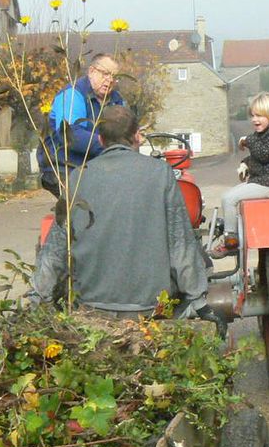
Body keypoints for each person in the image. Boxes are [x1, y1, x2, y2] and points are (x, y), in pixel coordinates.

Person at [29, 105, 221, 329]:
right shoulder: (161, 174)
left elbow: (55, 248)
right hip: (151, 308)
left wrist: (37, 301)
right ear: (137, 136)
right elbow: (181, 245)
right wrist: (200, 304)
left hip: (92, 308)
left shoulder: (77, 178)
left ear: (100, 140)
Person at [209, 92, 269, 258]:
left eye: (259, 115)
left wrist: (247, 140)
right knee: (230, 195)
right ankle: (234, 230)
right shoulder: (267, 134)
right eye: (252, 115)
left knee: (228, 198)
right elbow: (259, 159)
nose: (254, 119)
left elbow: (264, 155)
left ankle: (230, 240)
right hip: (260, 181)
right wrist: (246, 163)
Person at [36, 53, 126, 197]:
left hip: (97, 167)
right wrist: (111, 146)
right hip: (64, 167)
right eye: (105, 74)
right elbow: (70, 136)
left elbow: (126, 131)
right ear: (91, 71)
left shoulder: (117, 100)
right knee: (89, 207)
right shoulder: (72, 95)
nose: (109, 80)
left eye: (114, 76)